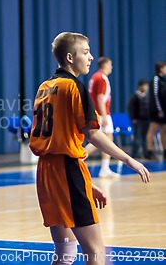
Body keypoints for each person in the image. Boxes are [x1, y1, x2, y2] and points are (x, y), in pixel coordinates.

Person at [29, 32, 150, 265]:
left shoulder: (45, 87)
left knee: (64, 254)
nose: (91, 57)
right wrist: (128, 159)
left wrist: (87, 183)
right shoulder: (74, 87)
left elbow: (57, 141)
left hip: (46, 174)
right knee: (96, 252)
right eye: (85, 52)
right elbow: (93, 134)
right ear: (69, 57)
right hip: (66, 172)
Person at [86, 57, 119, 177]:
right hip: (101, 113)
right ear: (105, 65)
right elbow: (100, 98)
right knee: (103, 140)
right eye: (110, 65)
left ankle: (105, 168)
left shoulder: (95, 77)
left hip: (97, 112)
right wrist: (104, 116)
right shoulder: (101, 78)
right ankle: (79, 157)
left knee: (105, 140)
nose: (111, 67)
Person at [146, 61, 166, 159]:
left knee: (164, 130)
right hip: (156, 110)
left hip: (163, 110)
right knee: (152, 130)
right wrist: (159, 110)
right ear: (161, 68)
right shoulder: (156, 79)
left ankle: (165, 151)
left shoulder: (163, 80)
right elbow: (155, 96)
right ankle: (149, 151)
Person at [127, 79, 149, 158]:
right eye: (144, 86)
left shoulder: (147, 96)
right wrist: (134, 117)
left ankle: (146, 154)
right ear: (140, 86)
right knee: (137, 138)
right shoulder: (135, 97)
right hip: (138, 120)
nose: (146, 87)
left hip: (147, 120)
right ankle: (134, 154)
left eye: (147, 86)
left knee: (145, 137)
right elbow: (131, 108)